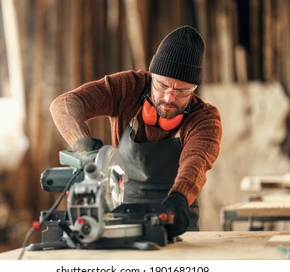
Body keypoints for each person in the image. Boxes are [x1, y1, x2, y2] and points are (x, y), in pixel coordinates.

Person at [50, 25, 222, 240]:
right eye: (162, 86)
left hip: (173, 216)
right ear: (151, 76)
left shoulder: (205, 119)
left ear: (194, 88)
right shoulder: (128, 88)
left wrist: (179, 197)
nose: (169, 98)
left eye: (181, 91)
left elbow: (195, 161)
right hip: (119, 216)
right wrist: (81, 143)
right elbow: (65, 104)